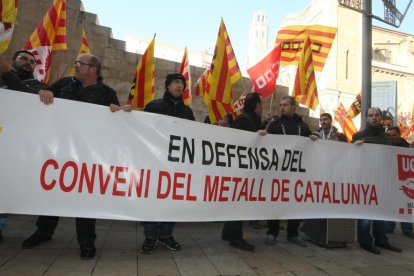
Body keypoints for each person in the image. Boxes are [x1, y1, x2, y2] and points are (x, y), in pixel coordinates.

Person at [22, 53, 120, 260]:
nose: (75, 66)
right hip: (58, 149)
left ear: (93, 69)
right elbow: (39, 94)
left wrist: (116, 110)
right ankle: (43, 232)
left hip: (88, 153)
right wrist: (42, 92)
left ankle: (86, 241)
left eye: (80, 63)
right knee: (52, 190)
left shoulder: (107, 93)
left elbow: (116, 119)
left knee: (85, 198)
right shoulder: (65, 83)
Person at [139, 73, 195, 254]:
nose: (180, 86)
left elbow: (194, 136)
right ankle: (149, 237)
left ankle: (165, 235)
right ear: (167, 85)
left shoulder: (187, 112)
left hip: (176, 166)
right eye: (176, 82)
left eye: (182, 83)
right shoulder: (153, 106)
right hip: (154, 163)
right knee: (152, 199)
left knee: (172, 200)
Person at [352, 107, 402, 254]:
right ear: (366, 118)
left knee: (381, 211)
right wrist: (355, 147)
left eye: (377, 115)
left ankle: (381, 239)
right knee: (366, 213)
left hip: (382, 178)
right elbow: (349, 156)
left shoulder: (386, 137)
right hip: (365, 179)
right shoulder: (358, 135)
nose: (374, 118)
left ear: (381, 117)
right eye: (371, 115)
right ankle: (365, 241)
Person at [265, 95, 311, 247]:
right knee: (275, 202)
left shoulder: (303, 127)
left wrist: (314, 139)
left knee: (295, 203)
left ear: (293, 107)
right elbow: (267, 144)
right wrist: (262, 136)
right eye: (280, 105)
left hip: (297, 173)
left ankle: (293, 233)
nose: (282, 107)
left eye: (285, 105)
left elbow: (311, 146)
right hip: (278, 172)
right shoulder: (275, 125)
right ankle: (272, 232)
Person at [221, 92, 264, 252]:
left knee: (239, 203)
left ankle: (231, 235)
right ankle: (235, 237)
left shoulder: (255, 119)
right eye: (261, 103)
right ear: (256, 105)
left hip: (248, 168)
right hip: (240, 169)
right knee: (237, 203)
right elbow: (235, 140)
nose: (263, 106)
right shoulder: (243, 119)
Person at [386, 126, 414, 239]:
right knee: (390, 203)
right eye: (389, 136)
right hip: (390, 179)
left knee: (405, 204)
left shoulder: (407, 147)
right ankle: (389, 227)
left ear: (399, 134)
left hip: (404, 180)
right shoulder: (385, 146)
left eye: (394, 135)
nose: (392, 138)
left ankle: (407, 228)